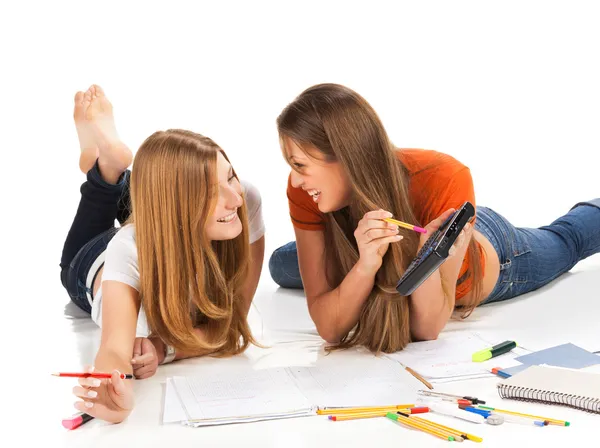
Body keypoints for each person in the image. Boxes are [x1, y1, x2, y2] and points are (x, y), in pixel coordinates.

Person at [268, 83, 600, 353]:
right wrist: (365, 265)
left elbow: (426, 329)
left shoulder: (444, 175)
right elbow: (330, 328)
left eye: (300, 166)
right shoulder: (306, 191)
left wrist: (429, 254)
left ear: (344, 157)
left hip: (485, 252)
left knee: (567, 240)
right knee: (280, 265)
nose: (295, 180)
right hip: (369, 249)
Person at [59, 85, 265, 423]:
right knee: (75, 257)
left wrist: (163, 348)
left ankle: (104, 166)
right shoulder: (128, 248)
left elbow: (234, 323)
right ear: (179, 208)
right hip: (93, 262)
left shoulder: (246, 202)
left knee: (151, 191)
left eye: (231, 177)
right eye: (213, 192)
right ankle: (102, 173)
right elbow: (114, 347)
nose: (236, 199)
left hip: (164, 227)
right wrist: (115, 389)